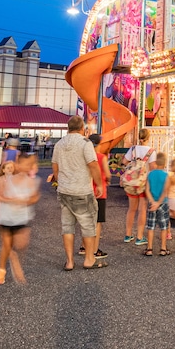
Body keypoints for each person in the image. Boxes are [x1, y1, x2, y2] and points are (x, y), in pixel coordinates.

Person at [48, 115, 105, 270]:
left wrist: (61, 181)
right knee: (88, 226)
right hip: (82, 191)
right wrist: (99, 184)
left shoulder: (59, 144)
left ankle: (69, 262)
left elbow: (55, 167)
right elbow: (93, 165)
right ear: (82, 128)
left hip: (64, 191)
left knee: (67, 226)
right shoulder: (85, 143)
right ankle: (88, 259)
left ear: (68, 128)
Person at [0, 154, 41, 285]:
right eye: (24, 164)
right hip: (6, 217)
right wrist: (10, 200)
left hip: (22, 218)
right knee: (7, 246)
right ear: (17, 164)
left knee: (21, 244)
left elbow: (35, 197)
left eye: (29, 165)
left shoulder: (32, 181)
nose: (27, 167)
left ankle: (13, 255)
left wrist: (27, 200)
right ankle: (1, 270)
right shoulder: (5, 180)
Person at [79, 133, 111, 260]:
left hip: (86, 190)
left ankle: (83, 247)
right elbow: (107, 174)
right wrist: (106, 179)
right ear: (99, 144)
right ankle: (94, 250)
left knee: (86, 221)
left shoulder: (84, 157)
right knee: (97, 222)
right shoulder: (101, 157)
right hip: (99, 193)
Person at [122, 128, 153, 245]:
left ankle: (128, 234)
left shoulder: (133, 149)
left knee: (131, 209)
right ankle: (139, 236)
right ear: (148, 138)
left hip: (132, 182)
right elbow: (153, 167)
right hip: (143, 183)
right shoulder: (151, 151)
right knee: (142, 209)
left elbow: (124, 161)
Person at [143, 152, 171, 256]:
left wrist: (153, 202)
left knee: (151, 226)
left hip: (152, 203)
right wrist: (158, 203)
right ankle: (163, 248)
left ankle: (149, 248)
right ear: (164, 163)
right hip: (163, 203)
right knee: (163, 227)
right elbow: (165, 192)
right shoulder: (166, 175)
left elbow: (147, 190)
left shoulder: (150, 174)